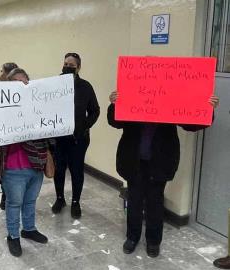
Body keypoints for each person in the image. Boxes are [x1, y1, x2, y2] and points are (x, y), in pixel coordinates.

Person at [107, 91, 219, 258]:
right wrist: (114, 104)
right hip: (133, 159)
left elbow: (191, 125)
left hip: (159, 161)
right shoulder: (133, 94)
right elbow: (115, 122)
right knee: (134, 201)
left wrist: (207, 108)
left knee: (155, 202)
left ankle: (153, 242)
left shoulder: (171, 99)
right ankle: (132, 237)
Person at [0, 68, 49, 257]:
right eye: (17, 83)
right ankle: (13, 236)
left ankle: (29, 229)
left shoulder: (39, 105)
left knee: (30, 201)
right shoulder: (2, 107)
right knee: (14, 203)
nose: (22, 86)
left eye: (25, 82)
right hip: (14, 166)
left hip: (37, 162)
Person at [51, 52, 100, 219]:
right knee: (59, 170)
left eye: (71, 65)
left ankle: (75, 202)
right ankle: (60, 198)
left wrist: (83, 126)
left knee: (77, 171)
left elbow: (95, 110)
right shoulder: (54, 84)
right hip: (59, 138)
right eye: (65, 63)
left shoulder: (85, 86)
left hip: (78, 139)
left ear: (78, 68)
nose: (67, 67)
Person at [0, 62, 19, 210]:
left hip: (15, 138)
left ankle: (11, 194)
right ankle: (5, 194)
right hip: (2, 138)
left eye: (1, 71)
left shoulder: (18, 91)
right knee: (2, 167)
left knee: (10, 167)